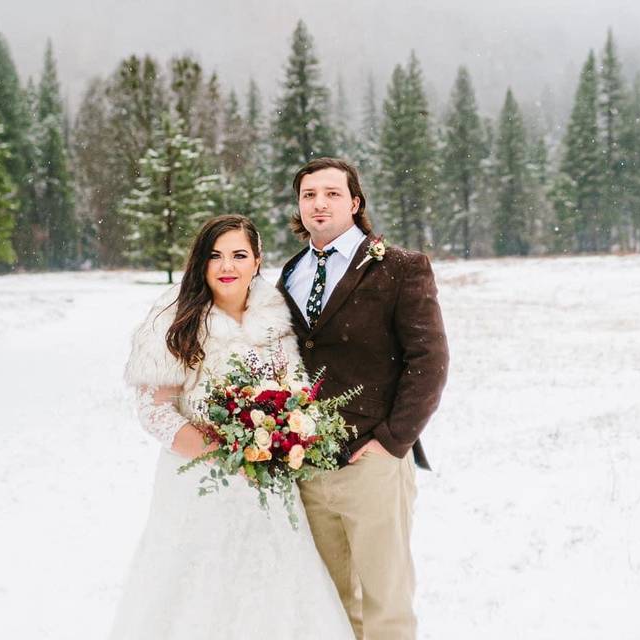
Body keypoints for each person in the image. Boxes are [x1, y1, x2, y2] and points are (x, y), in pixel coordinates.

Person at [109, 214, 353, 639]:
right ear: (201, 263)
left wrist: (284, 432)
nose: (227, 267)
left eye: (239, 255)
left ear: (257, 261)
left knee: (274, 586)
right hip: (199, 482)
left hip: (269, 484)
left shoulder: (274, 314)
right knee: (199, 588)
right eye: (216, 256)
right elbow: (155, 410)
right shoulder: (175, 317)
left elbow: (292, 387)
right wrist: (224, 450)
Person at [278, 158, 450, 639]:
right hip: (308, 464)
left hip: (372, 460)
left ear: (355, 203)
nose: (319, 202)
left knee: (385, 604)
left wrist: (392, 441)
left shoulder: (399, 268)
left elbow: (429, 360)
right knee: (332, 603)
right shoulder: (289, 274)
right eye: (309, 194)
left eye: (332, 193)